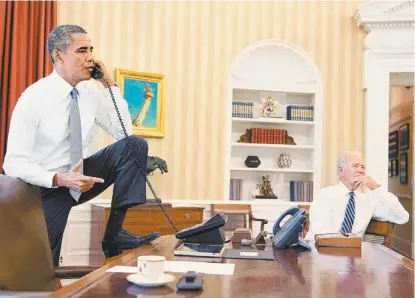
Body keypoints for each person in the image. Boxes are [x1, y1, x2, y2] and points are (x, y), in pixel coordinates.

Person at [3, 24, 163, 265]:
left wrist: (111, 86)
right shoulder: (33, 98)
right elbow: (12, 163)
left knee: (134, 145)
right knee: (40, 267)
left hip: (82, 178)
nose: (91, 58)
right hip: (44, 189)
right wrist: (59, 179)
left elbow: (124, 132)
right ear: (58, 56)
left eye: (91, 49)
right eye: (81, 50)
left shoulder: (90, 92)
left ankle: (114, 236)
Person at [305, 151, 409, 241]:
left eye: (363, 167)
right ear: (341, 171)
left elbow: (402, 217)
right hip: (320, 253)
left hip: (352, 257)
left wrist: (376, 188)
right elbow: (321, 235)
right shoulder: (325, 195)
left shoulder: (368, 200)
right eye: (355, 166)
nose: (361, 170)